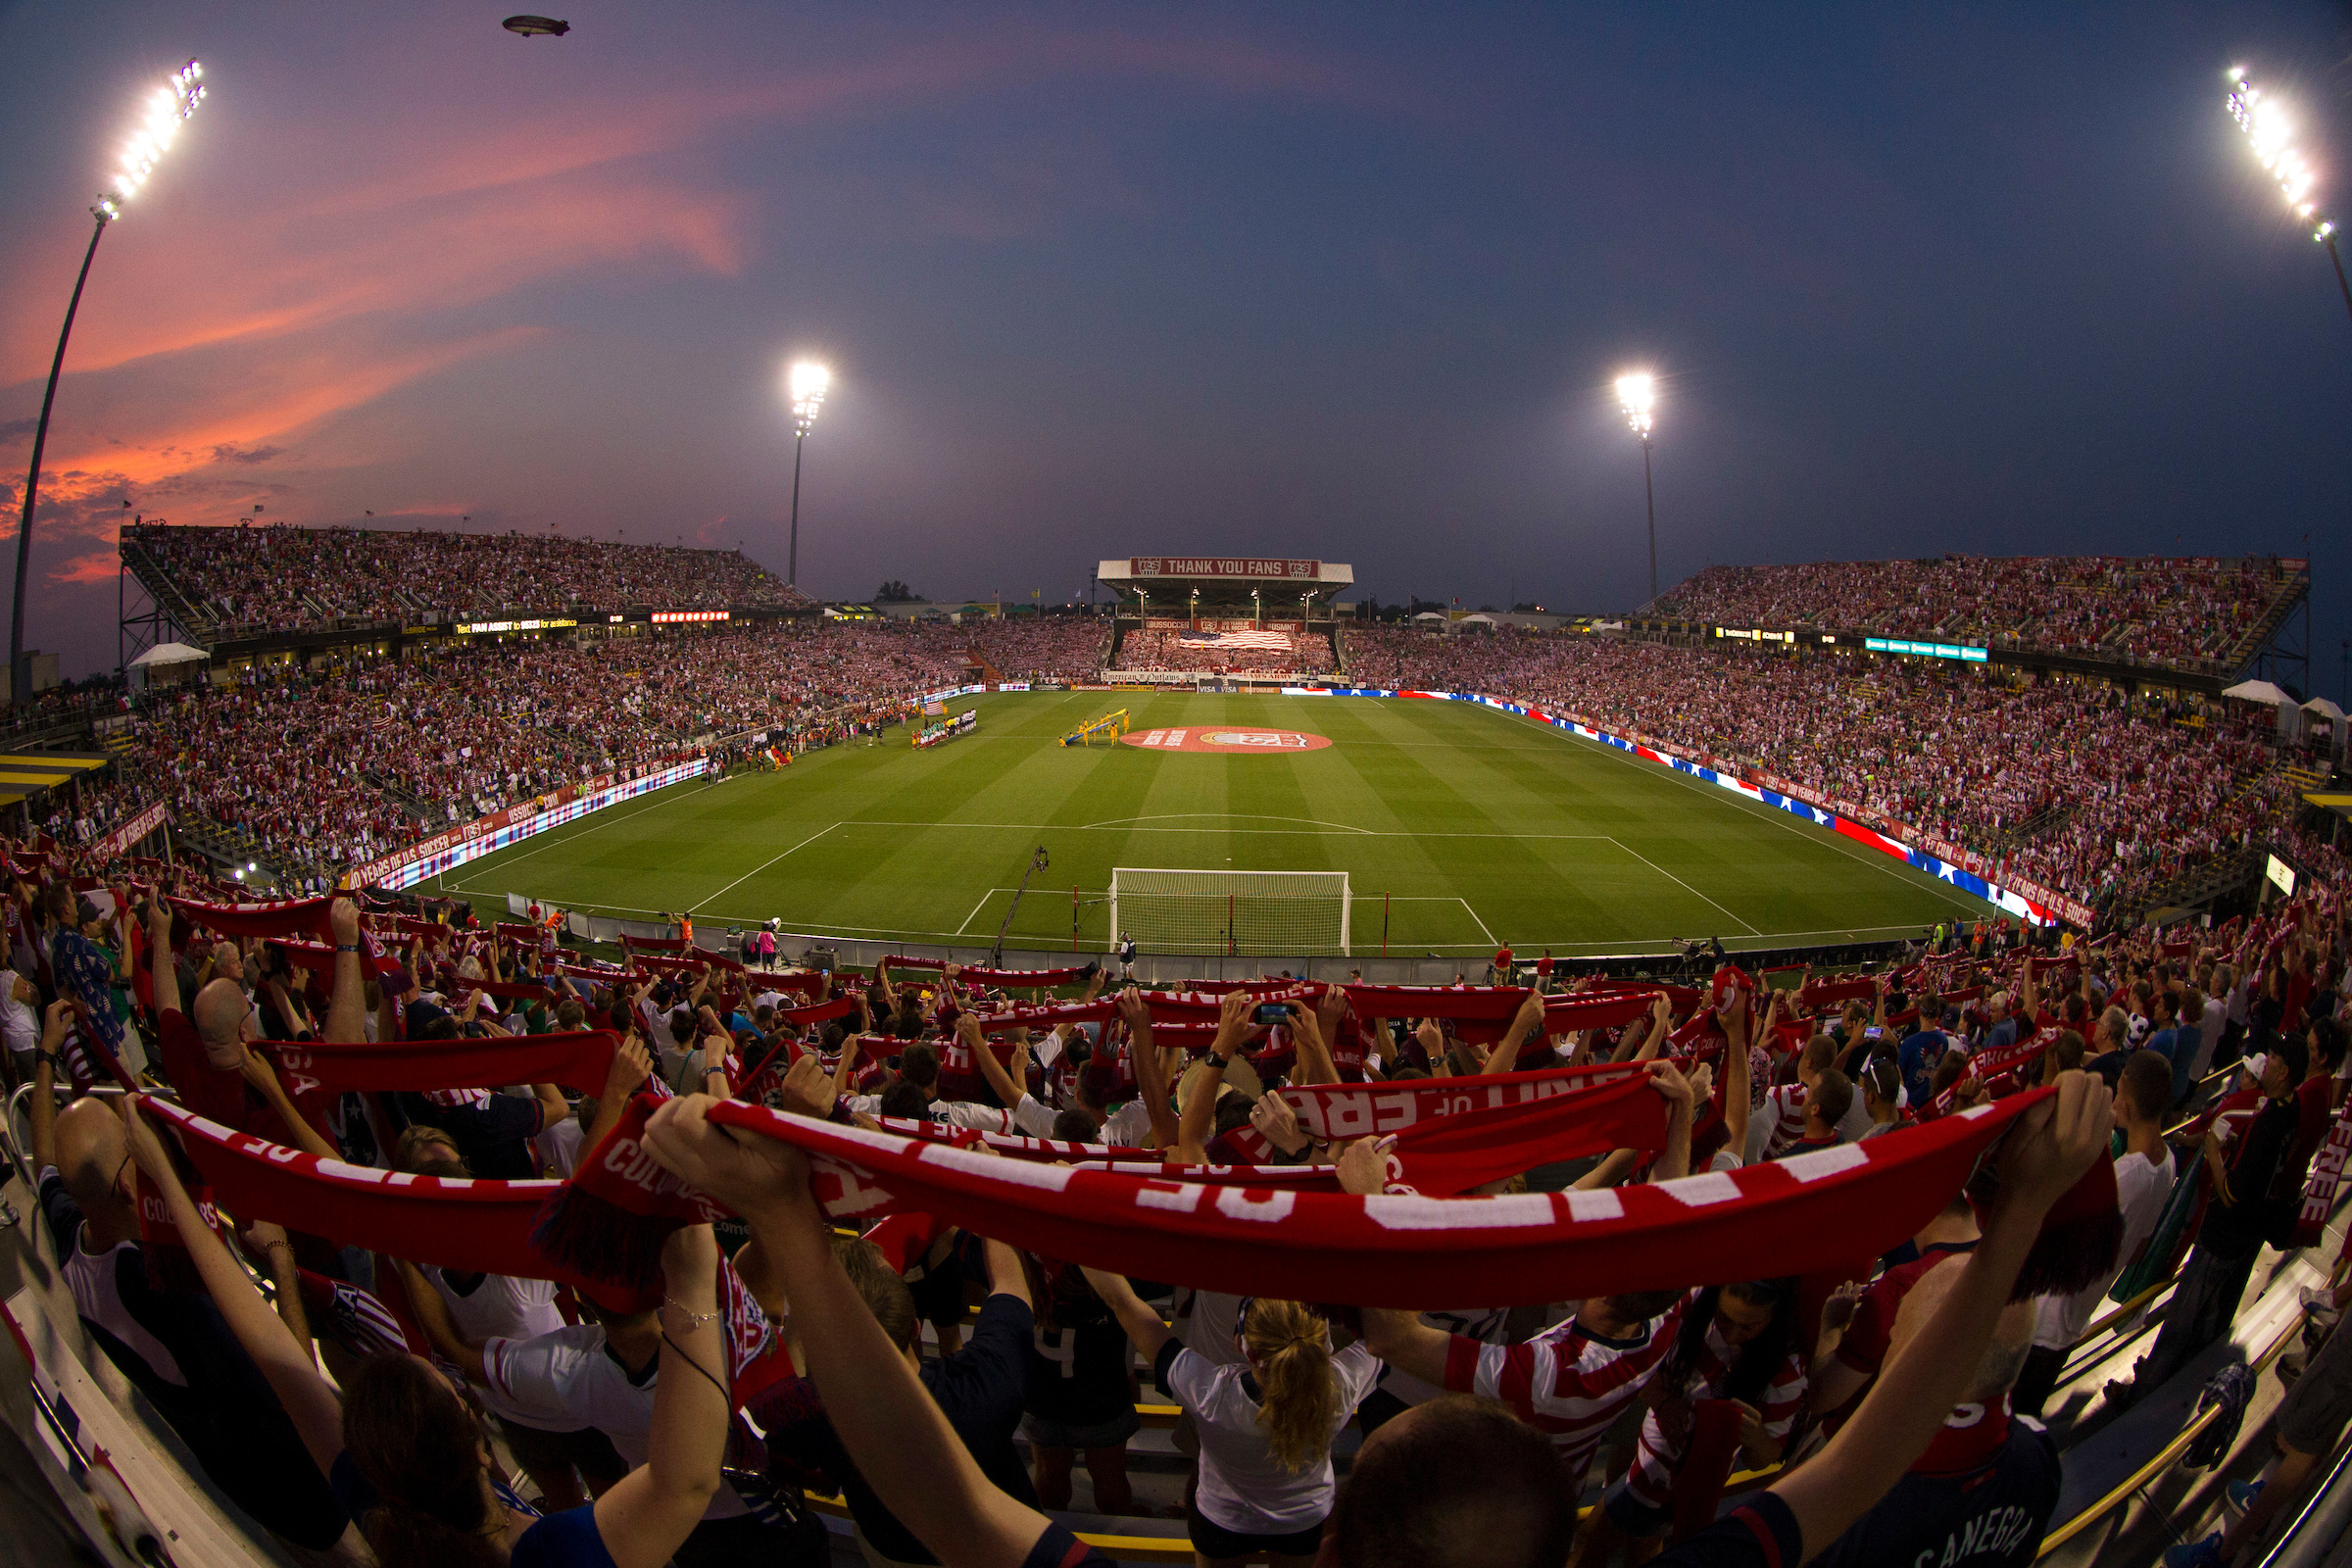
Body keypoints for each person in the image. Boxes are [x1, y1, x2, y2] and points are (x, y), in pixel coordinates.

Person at [1323, 1072, 2113, 1568]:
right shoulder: (1661, 1332)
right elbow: (1857, 1471)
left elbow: (1393, 1338)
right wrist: (2020, 1223)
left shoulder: (1546, 1373)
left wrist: (1367, 1194)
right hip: (1571, 1479)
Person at [123, 1090, 727, 1568]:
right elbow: (689, 1482)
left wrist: (174, 1188)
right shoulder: (549, 1553)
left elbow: (270, 1346)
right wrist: (696, 1276)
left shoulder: (384, 1498)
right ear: (473, 1430)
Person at [26, 1010, 355, 1555]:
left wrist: (45, 1054)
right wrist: (279, 1260)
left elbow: (44, 1159)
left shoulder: (72, 1242)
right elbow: (292, 1380)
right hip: (297, 1475)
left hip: (229, 1470)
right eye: (134, 1153)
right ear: (124, 1188)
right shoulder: (170, 1294)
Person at [1090, 1275, 1379, 1568]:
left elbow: (1124, 1304)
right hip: (1304, 1520)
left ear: (1242, 1345)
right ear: (1322, 1341)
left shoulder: (1210, 1393)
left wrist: (1077, 1243)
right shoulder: (1340, 1387)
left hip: (1223, 1521)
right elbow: (1388, 1339)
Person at [2107, 1031, 2309, 1409]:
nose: (2267, 1066)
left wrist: (2215, 1149)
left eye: (2274, 1061)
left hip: (2223, 1238)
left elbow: (2232, 1193)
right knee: (2206, 1321)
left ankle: (2142, 1395)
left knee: (2181, 1322)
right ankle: (2176, 1383)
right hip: (2244, 1238)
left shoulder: (2269, 1122)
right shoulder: (2291, 1108)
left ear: (2283, 1073)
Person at [2016, 1051, 2176, 1416]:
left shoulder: (2124, 1176)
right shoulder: (2168, 1164)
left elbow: (2062, 1236)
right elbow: (2138, 1249)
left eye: (2118, 1093)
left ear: (2130, 1107)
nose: (2114, 1100)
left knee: (2013, 1412)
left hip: (2047, 1315)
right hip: (2076, 1313)